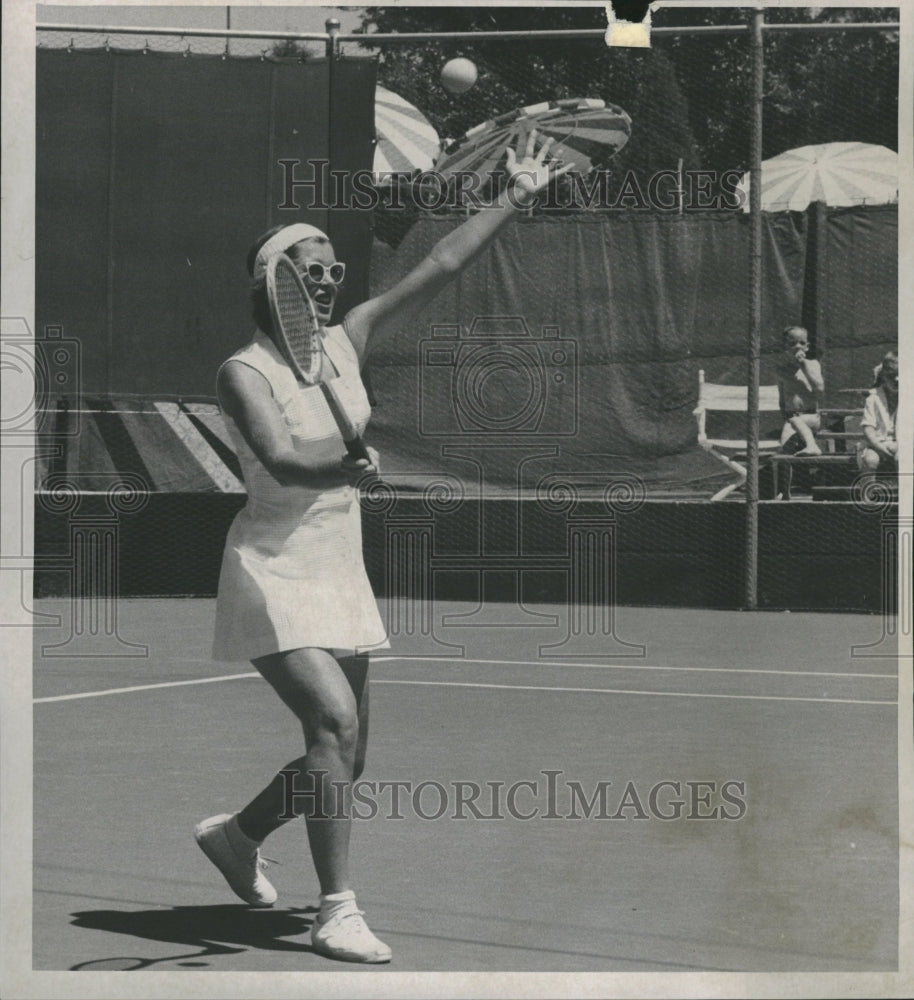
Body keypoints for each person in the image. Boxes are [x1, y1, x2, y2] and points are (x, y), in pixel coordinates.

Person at [194, 132, 574, 964]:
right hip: (270, 562)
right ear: (273, 279)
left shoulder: (348, 338)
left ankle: (239, 835)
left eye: (333, 267)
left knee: (347, 752)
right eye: (310, 265)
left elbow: (441, 264)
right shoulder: (244, 371)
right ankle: (337, 909)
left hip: (336, 562)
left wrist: (516, 191)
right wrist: (346, 464)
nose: (328, 277)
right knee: (331, 720)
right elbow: (286, 462)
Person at [774, 325, 825, 456]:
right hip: (792, 419)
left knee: (796, 421)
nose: (798, 346)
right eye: (792, 343)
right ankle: (786, 475)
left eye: (802, 343)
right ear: (784, 347)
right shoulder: (781, 371)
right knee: (784, 450)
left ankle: (812, 446)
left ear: (807, 347)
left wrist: (803, 365)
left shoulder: (813, 364)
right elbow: (782, 398)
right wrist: (784, 416)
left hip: (812, 416)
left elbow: (819, 388)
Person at [857, 351, 899, 474]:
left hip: (902, 444)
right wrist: (880, 447)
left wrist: (899, 447)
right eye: (892, 375)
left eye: (900, 374)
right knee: (870, 460)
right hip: (876, 444)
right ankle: (866, 492)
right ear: (883, 376)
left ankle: (906, 491)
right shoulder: (873, 398)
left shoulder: (909, 396)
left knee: (902, 458)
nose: (897, 379)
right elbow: (868, 428)